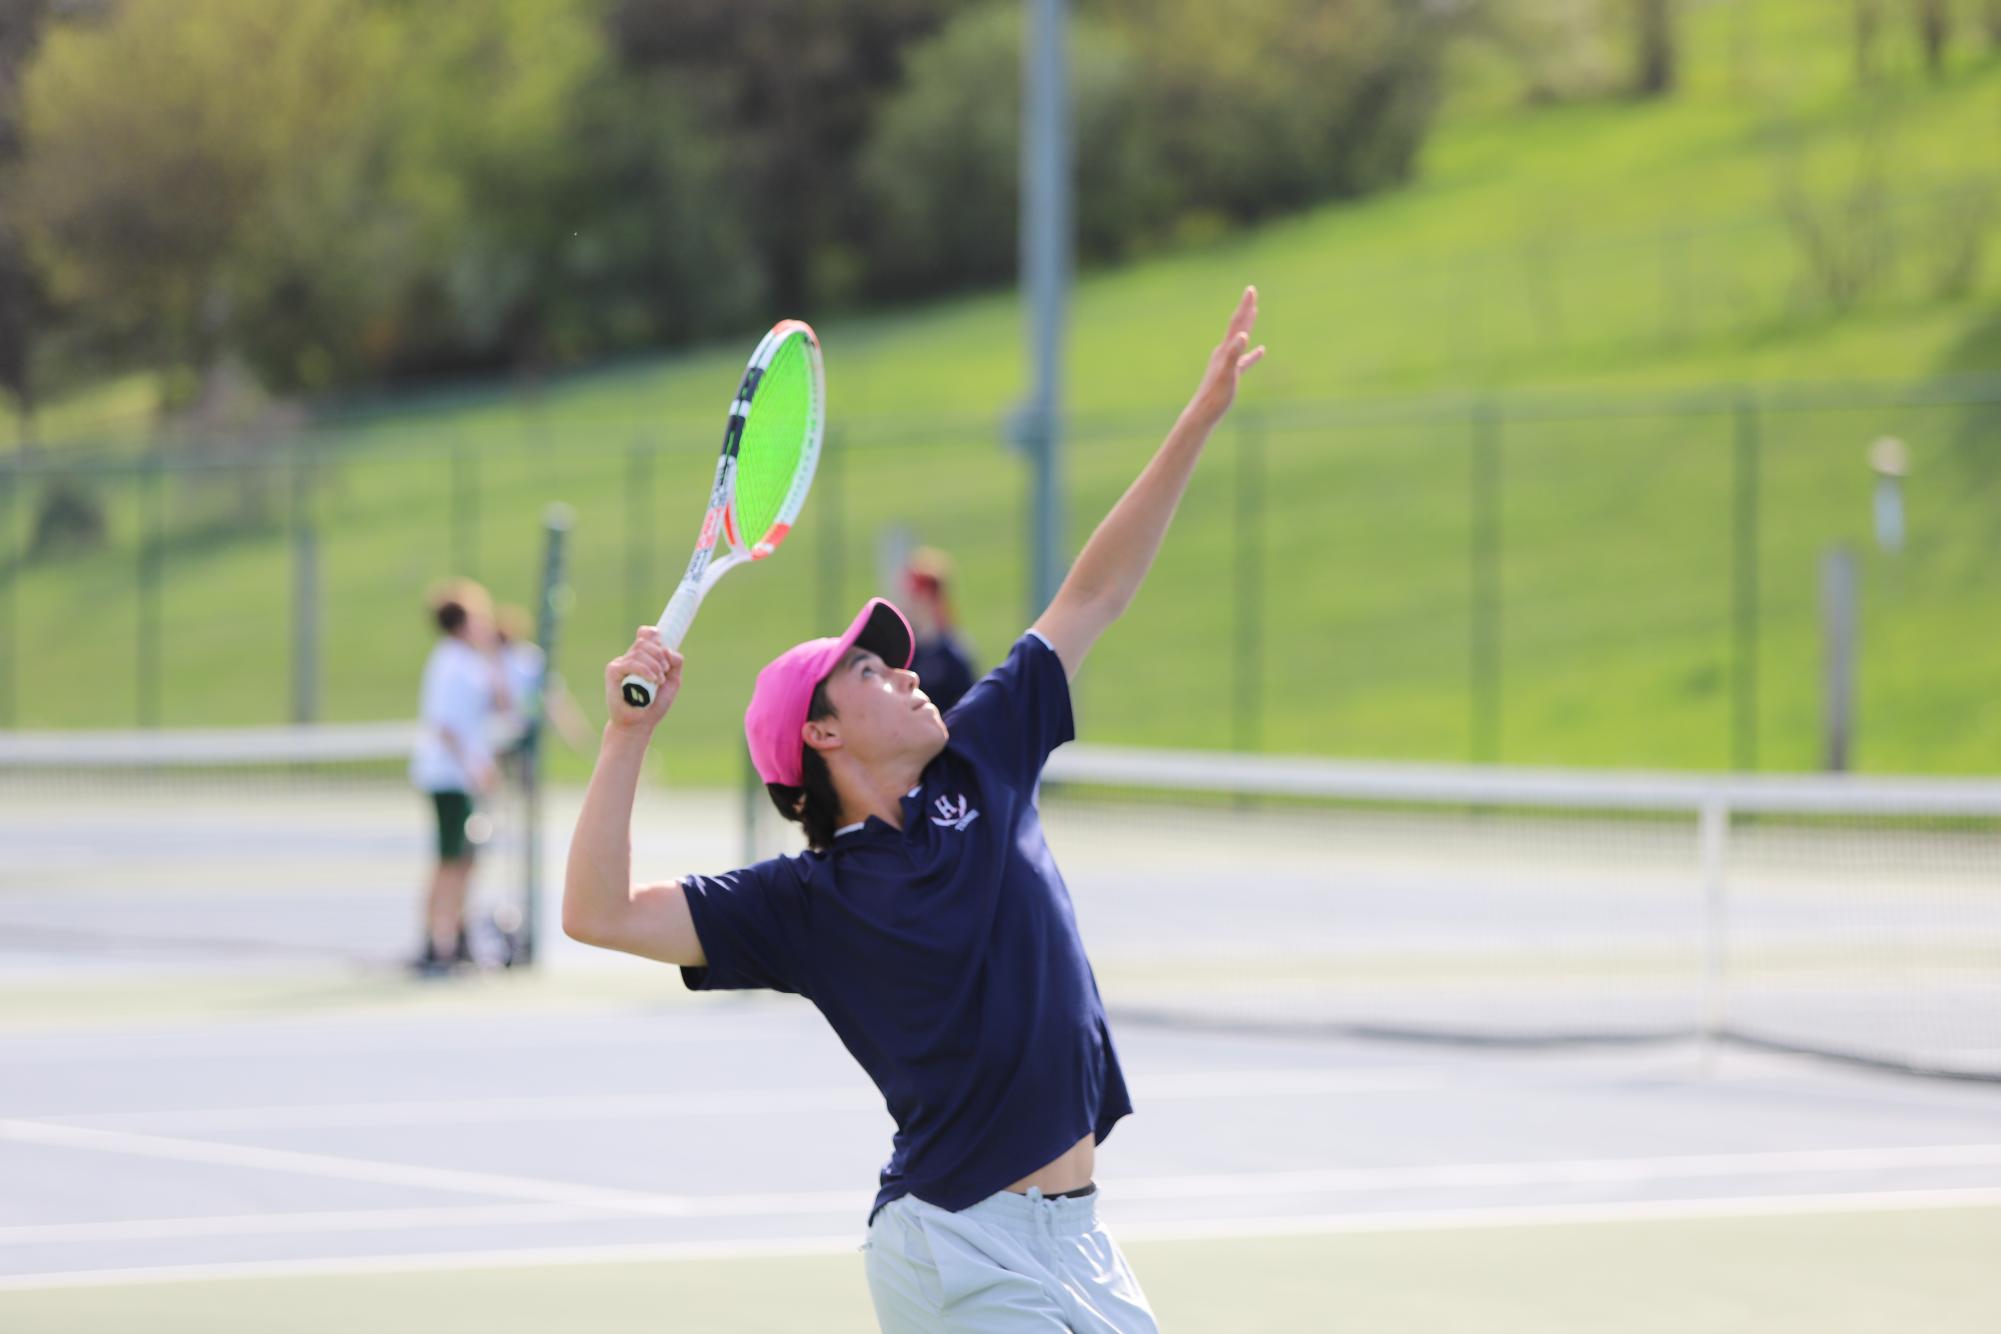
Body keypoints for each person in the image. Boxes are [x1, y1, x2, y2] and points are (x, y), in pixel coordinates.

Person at [564, 288, 1265, 1331]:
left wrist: (1194, 422)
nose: (905, 671)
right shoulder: (807, 900)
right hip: (955, 1242)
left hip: (1079, 1238)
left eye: (897, 659)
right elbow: (600, 911)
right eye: (869, 670)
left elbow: (1093, 595)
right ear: (822, 736)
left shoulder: (985, 755)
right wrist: (627, 736)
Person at [408, 578, 507, 977]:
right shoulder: (450, 663)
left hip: (463, 777)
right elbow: (445, 727)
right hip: (449, 777)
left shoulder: (472, 661)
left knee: (465, 860)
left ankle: (458, 935)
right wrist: (474, 767)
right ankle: (435, 943)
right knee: (449, 861)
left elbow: (503, 703)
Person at [901, 545, 978, 715]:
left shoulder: (953, 653)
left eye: (914, 595)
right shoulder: (906, 650)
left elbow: (969, 708)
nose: (907, 602)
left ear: (928, 597)